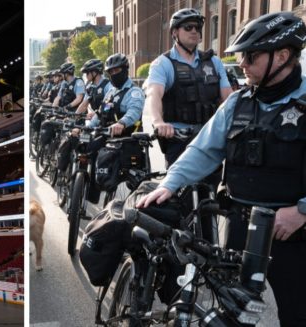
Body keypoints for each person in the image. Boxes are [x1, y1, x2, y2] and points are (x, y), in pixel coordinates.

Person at [137, 12, 306, 327]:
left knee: (298, 315)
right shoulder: (237, 103)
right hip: (241, 228)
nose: (242, 64)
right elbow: (203, 149)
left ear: (282, 56)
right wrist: (169, 183)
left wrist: (301, 212)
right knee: (231, 317)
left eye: (250, 56)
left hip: (293, 235)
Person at [144, 8, 232, 168]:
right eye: (188, 27)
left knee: (215, 186)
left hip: (210, 136)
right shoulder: (163, 63)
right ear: (175, 32)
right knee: (177, 191)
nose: (194, 31)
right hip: (178, 139)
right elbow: (153, 94)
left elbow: (228, 96)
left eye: (198, 28)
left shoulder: (214, 62)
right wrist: (158, 122)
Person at [87, 53, 144, 136]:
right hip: (107, 136)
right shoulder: (111, 92)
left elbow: (134, 111)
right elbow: (102, 113)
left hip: (127, 138)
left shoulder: (134, 91)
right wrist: (87, 127)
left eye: (116, 70)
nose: (114, 74)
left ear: (125, 70)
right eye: (111, 72)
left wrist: (122, 123)